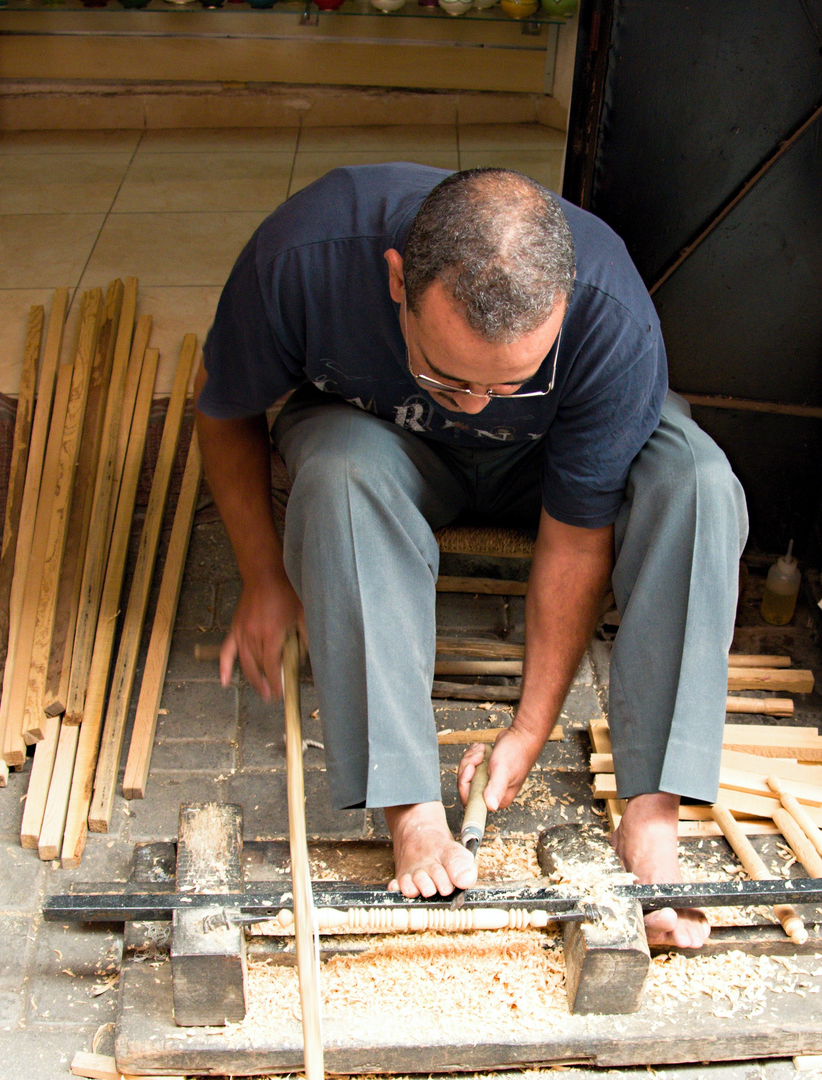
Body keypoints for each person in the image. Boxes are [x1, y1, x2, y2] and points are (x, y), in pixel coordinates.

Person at [195, 164, 748, 947]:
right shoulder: (302, 256)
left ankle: (653, 822)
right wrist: (262, 577)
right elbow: (223, 412)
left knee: (696, 482)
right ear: (396, 282)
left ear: (562, 304)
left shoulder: (610, 311)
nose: (479, 407)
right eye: (449, 375)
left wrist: (528, 726)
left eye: (513, 381)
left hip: (549, 463)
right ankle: (412, 812)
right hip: (387, 442)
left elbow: (575, 536)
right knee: (340, 482)